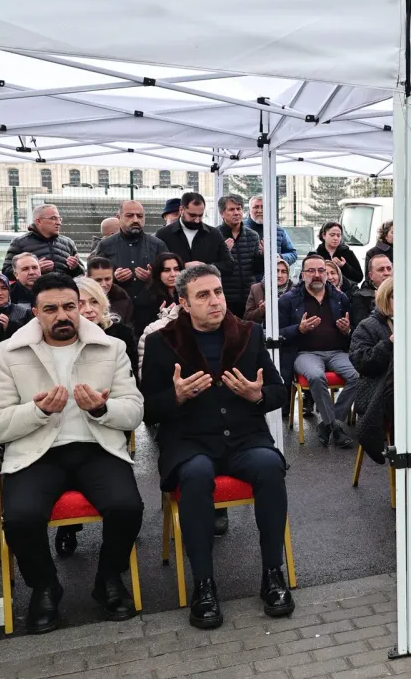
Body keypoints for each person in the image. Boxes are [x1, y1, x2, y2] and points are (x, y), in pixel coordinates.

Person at [0, 273, 144, 634]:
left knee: (127, 507)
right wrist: (38, 411)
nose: (62, 315)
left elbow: (135, 411)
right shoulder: (7, 352)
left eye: (70, 306)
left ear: (80, 308)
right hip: (36, 451)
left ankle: (108, 578)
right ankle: (45, 586)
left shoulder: (110, 347)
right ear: (35, 312)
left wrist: (102, 409)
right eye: (51, 309)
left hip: (96, 446)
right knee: (20, 518)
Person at [141, 264, 292, 628]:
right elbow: (146, 409)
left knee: (270, 466)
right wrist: (175, 397)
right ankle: (204, 584)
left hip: (244, 438)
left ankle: (273, 573)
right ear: (184, 303)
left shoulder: (249, 333)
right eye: (203, 295)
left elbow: (278, 390)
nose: (215, 301)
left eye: (218, 292)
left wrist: (258, 396)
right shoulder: (162, 342)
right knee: (195, 474)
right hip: (189, 440)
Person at [280, 254, 358, 448]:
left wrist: (347, 330)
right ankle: (336, 429)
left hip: (337, 352)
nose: (317, 274)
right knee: (315, 376)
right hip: (305, 353)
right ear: (302, 274)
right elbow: (277, 333)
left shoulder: (340, 298)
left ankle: (329, 424)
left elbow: (354, 331)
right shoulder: (289, 300)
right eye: (311, 270)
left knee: (358, 376)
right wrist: (298, 329)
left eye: (321, 270)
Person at [349, 278, 396, 462]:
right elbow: (362, 363)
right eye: (396, 297)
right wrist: (388, 343)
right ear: (385, 298)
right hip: (378, 387)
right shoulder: (368, 326)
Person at [91, 200, 168, 311]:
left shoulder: (158, 245)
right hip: (116, 310)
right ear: (119, 217)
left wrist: (152, 278)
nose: (136, 220)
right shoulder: (105, 245)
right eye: (130, 216)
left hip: (151, 310)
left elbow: (171, 277)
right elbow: (94, 279)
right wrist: (113, 277)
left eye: (140, 216)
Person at [155, 192, 233, 274]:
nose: (197, 220)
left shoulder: (213, 234)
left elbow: (229, 264)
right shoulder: (163, 234)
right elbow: (157, 265)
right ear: (181, 210)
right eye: (192, 215)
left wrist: (206, 267)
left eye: (200, 215)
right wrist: (183, 266)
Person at [76, 277, 138, 379]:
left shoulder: (123, 334)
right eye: (81, 304)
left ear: (103, 303)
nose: (89, 309)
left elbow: (131, 377)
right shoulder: (66, 336)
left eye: (94, 302)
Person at [1, 205, 82, 280]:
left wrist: (75, 267)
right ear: (38, 221)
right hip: (35, 290)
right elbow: (6, 271)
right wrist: (35, 269)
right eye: (53, 218)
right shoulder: (19, 243)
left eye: (59, 219)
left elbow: (81, 273)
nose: (58, 223)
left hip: (64, 290)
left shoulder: (68, 243)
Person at [216, 194, 264, 319]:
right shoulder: (214, 235)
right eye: (231, 209)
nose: (236, 213)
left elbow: (257, 269)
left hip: (249, 297)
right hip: (225, 297)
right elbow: (211, 268)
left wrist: (262, 256)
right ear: (222, 213)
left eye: (239, 208)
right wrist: (224, 253)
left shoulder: (252, 235)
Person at [132, 253, 184, 341]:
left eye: (176, 269)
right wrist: (161, 318)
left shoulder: (187, 293)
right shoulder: (147, 298)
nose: (173, 274)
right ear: (158, 273)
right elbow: (142, 333)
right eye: (167, 270)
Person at [245, 194, 298, 267]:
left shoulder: (278, 230)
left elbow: (293, 254)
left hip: (273, 273)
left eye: (263, 207)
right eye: (256, 207)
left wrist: (279, 257)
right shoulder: (239, 228)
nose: (260, 210)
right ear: (249, 210)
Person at [86, 257, 134, 329]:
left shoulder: (123, 299)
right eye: (98, 280)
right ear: (87, 278)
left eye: (107, 279)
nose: (104, 284)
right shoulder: (77, 297)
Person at [350, 253, 393, 330]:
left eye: (389, 269)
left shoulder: (403, 292)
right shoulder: (360, 297)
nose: (387, 273)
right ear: (371, 275)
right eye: (381, 269)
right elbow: (363, 328)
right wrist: (378, 305)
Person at [245, 258, 293, 324]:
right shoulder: (256, 289)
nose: (279, 275)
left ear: (288, 275)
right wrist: (261, 310)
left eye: (283, 272)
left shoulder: (293, 291)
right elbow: (247, 318)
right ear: (269, 272)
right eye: (276, 271)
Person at [314, 222, 362, 286]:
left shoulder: (347, 253)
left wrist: (344, 266)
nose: (336, 238)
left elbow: (359, 277)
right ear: (324, 235)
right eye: (332, 235)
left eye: (338, 235)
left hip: (345, 290)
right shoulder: (316, 255)